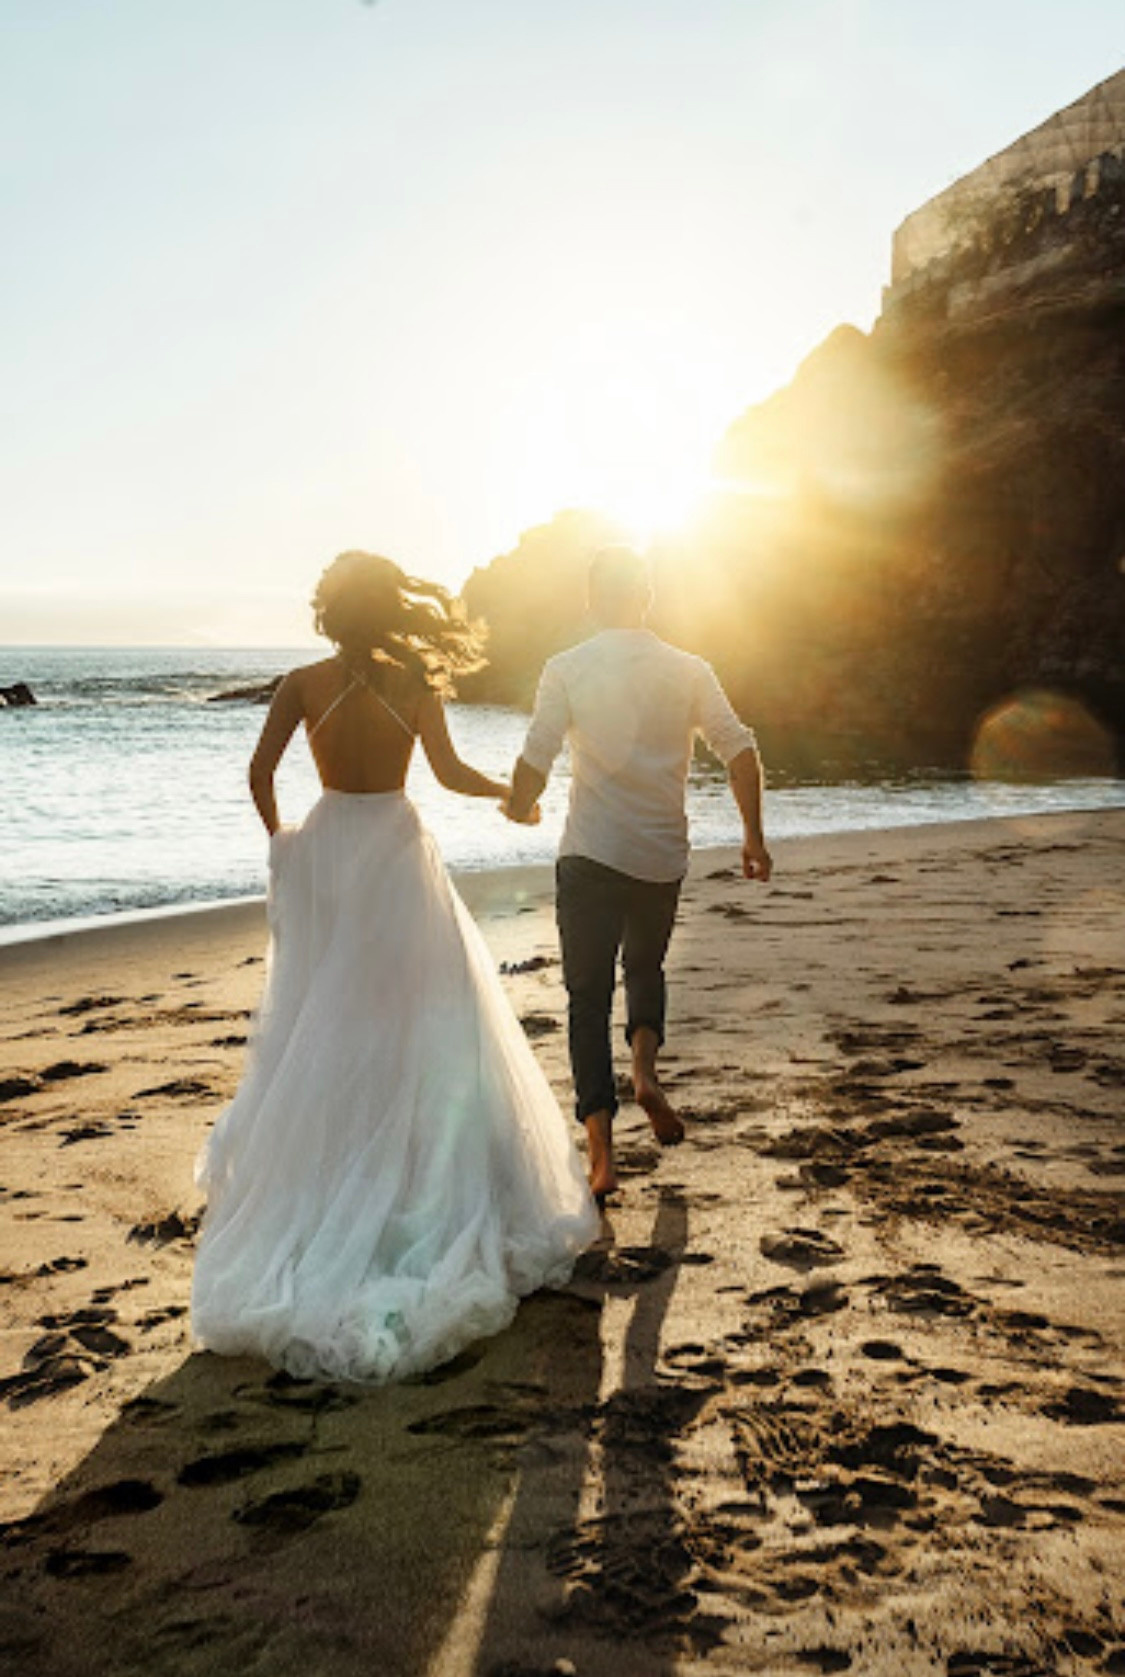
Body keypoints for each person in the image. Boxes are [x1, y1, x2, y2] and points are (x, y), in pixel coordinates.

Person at [191, 551, 599, 1384]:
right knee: (414, 1016)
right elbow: (445, 773)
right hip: (395, 851)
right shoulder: (412, 681)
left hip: (328, 850)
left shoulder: (301, 684)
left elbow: (259, 773)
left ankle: (334, 1176)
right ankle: (414, 1177)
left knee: (325, 1018)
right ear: (389, 609)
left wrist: (282, 843)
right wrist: (509, 796)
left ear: (326, 611)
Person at [505, 545, 771, 1202]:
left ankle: (601, 1152)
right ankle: (645, 1073)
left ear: (591, 600)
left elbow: (537, 753)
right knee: (645, 968)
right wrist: (753, 837)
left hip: (590, 853)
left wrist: (519, 804)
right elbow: (739, 748)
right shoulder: (689, 669)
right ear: (646, 597)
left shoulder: (566, 667)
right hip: (659, 853)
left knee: (587, 997)